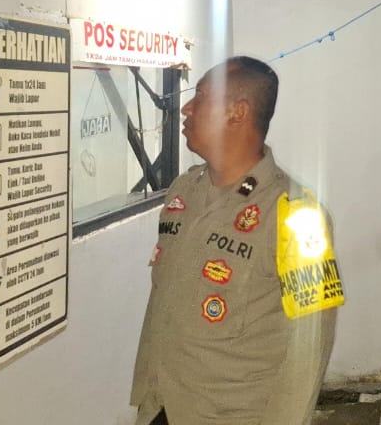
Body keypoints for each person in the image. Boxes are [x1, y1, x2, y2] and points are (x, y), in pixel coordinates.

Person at [131, 57, 344, 425]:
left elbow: (310, 351)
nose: (186, 108)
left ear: (237, 113)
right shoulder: (183, 192)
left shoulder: (298, 216)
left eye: (201, 96)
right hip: (161, 407)